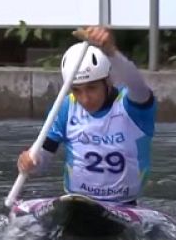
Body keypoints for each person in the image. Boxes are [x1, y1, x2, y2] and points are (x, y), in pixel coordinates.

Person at [17, 26, 156, 207]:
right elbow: (43, 155)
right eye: (77, 90)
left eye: (91, 88)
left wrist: (112, 53)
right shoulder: (65, 107)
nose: (85, 98)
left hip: (124, 204)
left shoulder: (134, 106)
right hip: (75, 202)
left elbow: (136, 82)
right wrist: (31, 162)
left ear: (108, 81)